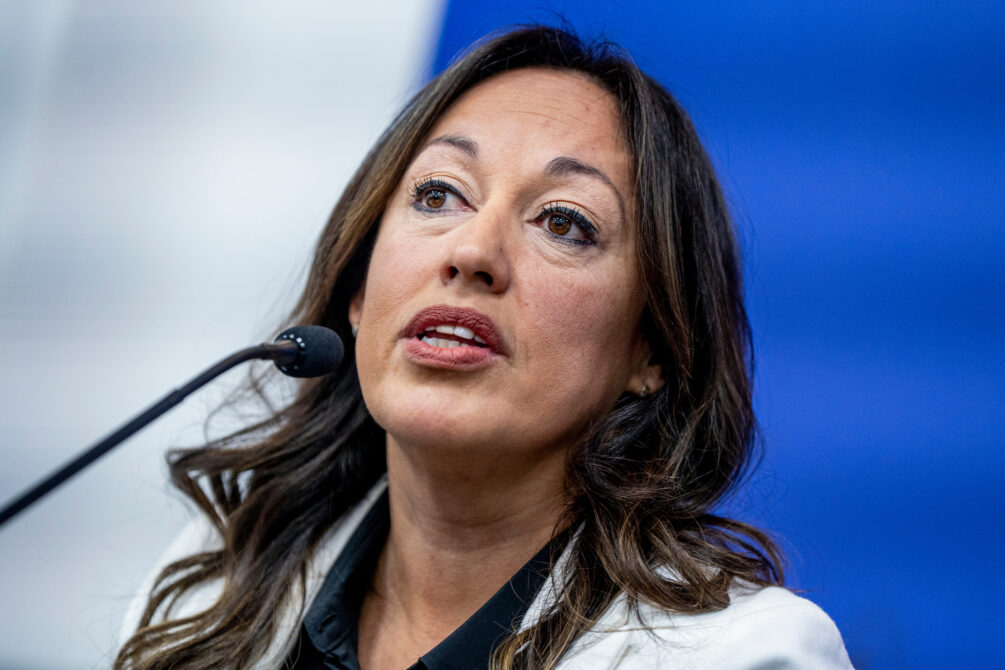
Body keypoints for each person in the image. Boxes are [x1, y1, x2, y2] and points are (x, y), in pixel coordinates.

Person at [116, 26, 853, 670]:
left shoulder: (743, 654)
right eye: (438, 194)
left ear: (650, 350)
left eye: (562, 222)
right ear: (359, 290)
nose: (472, 251)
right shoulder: (211, 585)